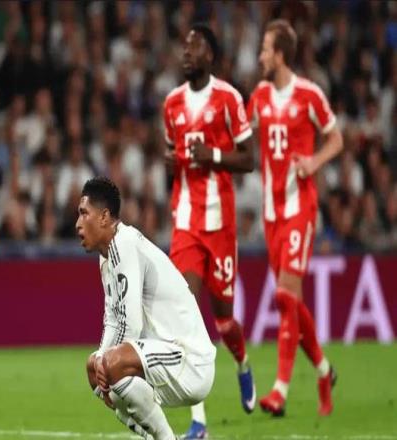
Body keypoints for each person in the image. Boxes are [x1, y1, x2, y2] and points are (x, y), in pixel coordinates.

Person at [163, 23, 256, 438]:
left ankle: (242, 362)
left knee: (223, 322)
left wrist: (213, 155)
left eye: (196, 46)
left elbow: (248, 159)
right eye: (185, 46)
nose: (187, 52)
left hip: (220, 225)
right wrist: (172, 163)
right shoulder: (172, 104)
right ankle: (198, 420)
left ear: (211, 56)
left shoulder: (228, 98)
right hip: (185, 222)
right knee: (184, 310)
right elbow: (174, 154)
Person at [246, 19, 343, 417]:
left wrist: (314, 162)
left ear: (280, 55)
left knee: (286, 296)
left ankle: (280, 391)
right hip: (272, 214)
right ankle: (323, 371)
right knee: (292, 302)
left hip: (300, 207)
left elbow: (336, 138)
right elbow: (240, 135)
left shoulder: (309, 95)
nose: (260, 57)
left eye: (265, 49)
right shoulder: (260, 96)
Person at [77, 176, 216, 440]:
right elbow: (113, 319)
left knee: (112, 363)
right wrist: (101, 362)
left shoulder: (125, 244)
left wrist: (107, 362)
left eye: (84, 214)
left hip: (190, 361)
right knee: (94, 367)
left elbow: (131, 325)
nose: (78, 223)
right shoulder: (106, 258)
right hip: (164, 356)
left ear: (104, 217)